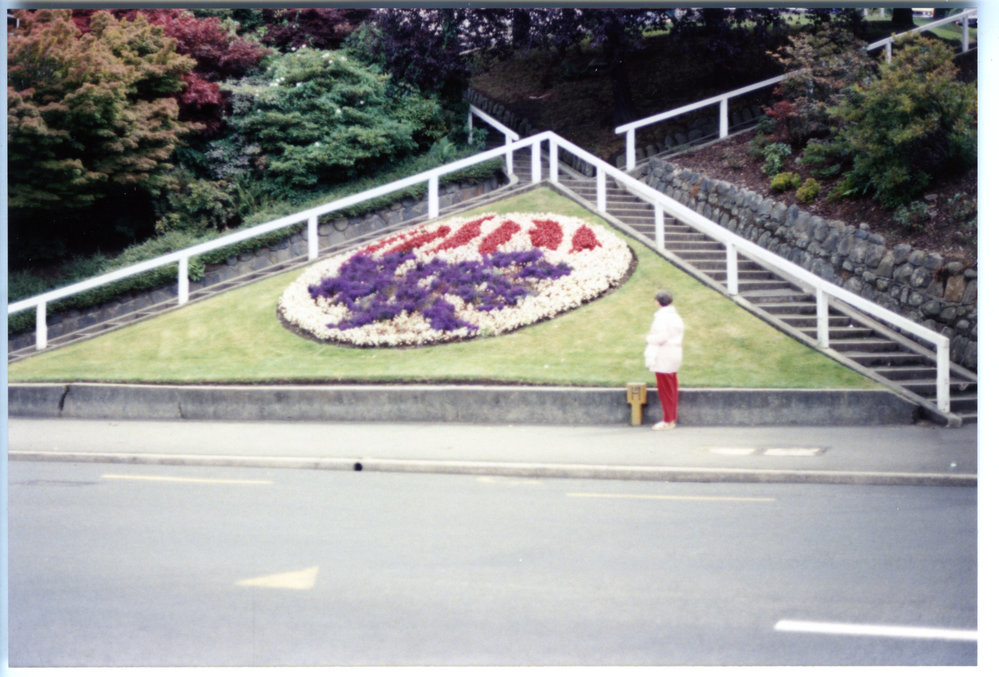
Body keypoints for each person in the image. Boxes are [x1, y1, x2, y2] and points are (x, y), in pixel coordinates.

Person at [644, 290, 684, 430]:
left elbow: (662, 336)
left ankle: (668, 420)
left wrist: (648, 338)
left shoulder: (662, 317)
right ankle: (671, 418)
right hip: (674, 353)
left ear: (658, 302)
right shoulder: (675, 316)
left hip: (664, 354)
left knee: (665, 389)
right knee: (672, 388)